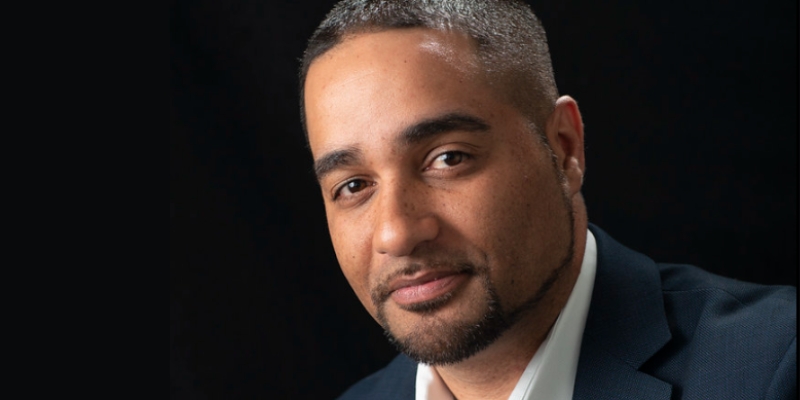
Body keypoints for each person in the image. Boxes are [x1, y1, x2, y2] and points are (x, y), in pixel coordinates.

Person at [299, 1, 797, 399]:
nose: (397, 233)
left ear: (564, 148)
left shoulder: (774, 365)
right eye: (353, 186)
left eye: (448, 158)